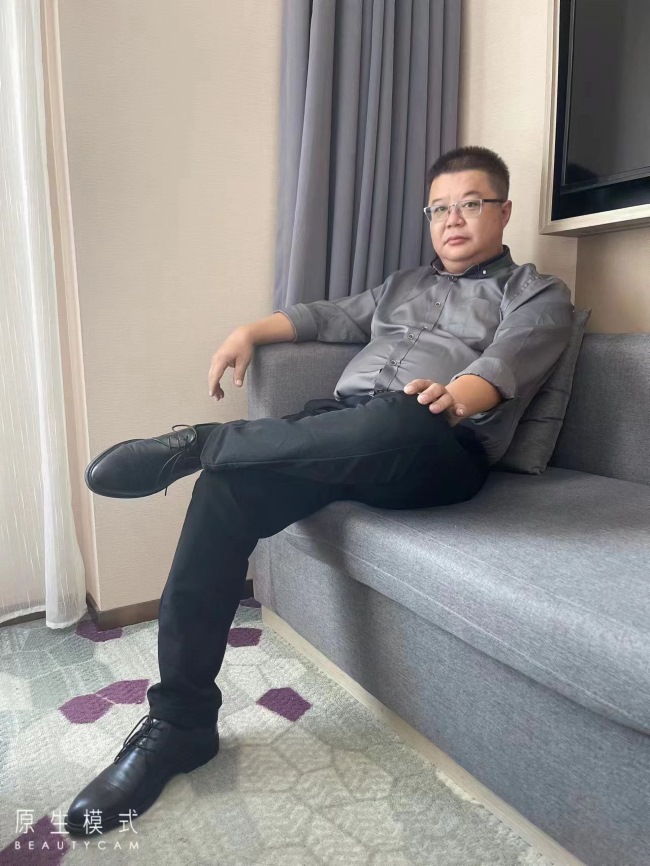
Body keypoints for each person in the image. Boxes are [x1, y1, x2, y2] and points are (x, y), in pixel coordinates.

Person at [64, 145, 574, 835]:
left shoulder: (537, 293)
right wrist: (246, 330)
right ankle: (181, 722)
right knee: (225, 490)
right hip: (340, 428)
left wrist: (453, 397)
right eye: (440, 208)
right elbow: (323, 317)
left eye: (471, 204)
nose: (453, 219)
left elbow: (505, 364)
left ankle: (204, 441)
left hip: (437, 444)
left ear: (504, 211)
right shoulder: (400, 287)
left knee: (404, 412)